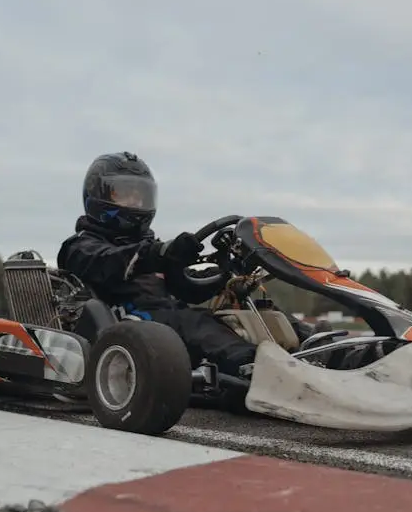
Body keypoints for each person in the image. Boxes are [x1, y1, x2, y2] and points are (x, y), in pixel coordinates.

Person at [57, 151, 316, 378]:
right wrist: (161, 252)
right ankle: (256, 368)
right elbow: (111, 263)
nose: (136, 204)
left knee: (255, 310)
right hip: (129, 322)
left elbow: (186, 288)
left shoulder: (149, 249)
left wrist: (225, 273)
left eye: (140, 196)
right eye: (125, 195)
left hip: (169, 320)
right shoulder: (80, 246)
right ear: (98, 195)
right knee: (192, 322)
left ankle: (317, 346)